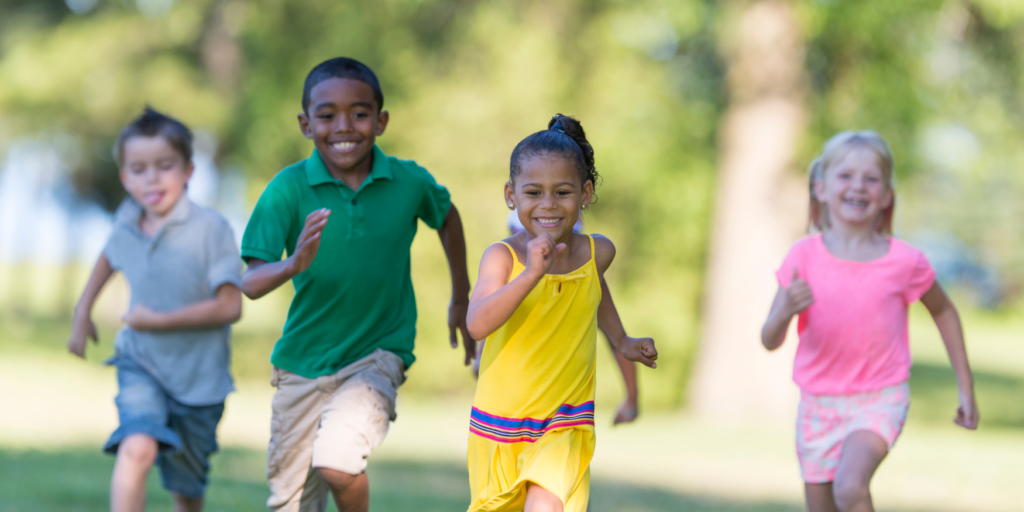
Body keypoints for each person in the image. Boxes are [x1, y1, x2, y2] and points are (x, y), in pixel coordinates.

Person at [239, 57, 473, 512]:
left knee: (339, 461)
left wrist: (460, 296)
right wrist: (292, 264)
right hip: (301, 366)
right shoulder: (287, 190)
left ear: (380, 121)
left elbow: (447, 217)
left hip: (376, 355)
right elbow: (250, 281)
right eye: (327, 115)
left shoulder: (408, 181)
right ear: (306, 124)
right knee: (290, 504)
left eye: (360, 113)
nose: (343, 126)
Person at [761, 131, 979, 512]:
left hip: (880, 399)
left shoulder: (905, 262)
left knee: (849, 487)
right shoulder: (802, 256)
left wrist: (965, 386)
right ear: (821, 188)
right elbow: (769, 339)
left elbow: (943, 311)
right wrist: (784, 312)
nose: (858, 186)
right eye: (845, 176)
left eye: (871, 178)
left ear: (887, 195)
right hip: (817, 405)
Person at [465, 114, 658, 512]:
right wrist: (531, 274)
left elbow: (594, 291)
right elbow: (477, 323)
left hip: (564, 422)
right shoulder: (502, 257)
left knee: (545, 507)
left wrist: (622, 341)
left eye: (563, 192)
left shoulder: (596, 252)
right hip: (498, 425)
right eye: (533, 192)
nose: (548, 205)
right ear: (511, 195)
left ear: (585, 194)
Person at [67, 107, 243, 512]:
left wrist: (158, 321)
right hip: (141, 362)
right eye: (139, 169)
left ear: (188, 171)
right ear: (126, 178)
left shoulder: (211, 228)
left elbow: (230, 306)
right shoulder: (126, 221)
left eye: (165, 165)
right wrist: (83, 311)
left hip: (200, 381)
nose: (152, 178)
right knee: (137, 446)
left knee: (187, 485)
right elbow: (109, 256)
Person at [478, 211, 639, 425]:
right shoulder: (507, 271)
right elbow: (483, 324)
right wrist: (480, 358)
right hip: (511, 419)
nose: (543, 246)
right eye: (526, 235)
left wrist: (632, 398)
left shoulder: (584, 279)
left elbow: (617, 339)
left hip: (564, 419)